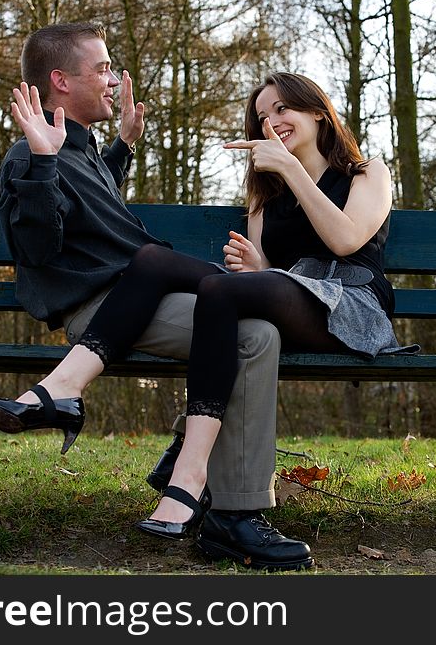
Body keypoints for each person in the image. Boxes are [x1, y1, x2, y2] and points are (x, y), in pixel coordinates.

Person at [0, 22, 311, 571]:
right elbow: (38, 248)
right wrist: (40, 163)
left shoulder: (79, 153)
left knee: (254, 328)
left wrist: (124, 144)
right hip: (104, 309)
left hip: (142, 300)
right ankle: (233, 511)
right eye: (101, 68)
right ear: (60, 80)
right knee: (253, 335)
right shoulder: (31, 158)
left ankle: (190, 465)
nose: (113, 79)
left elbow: (96, 213)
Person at [131, 71, 416, 564]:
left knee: (220, 289)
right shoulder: (266, 197)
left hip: (351, 306)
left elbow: (347, 240)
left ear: (318, 112)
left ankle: (185, 456)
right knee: (203, 283)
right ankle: (195, 470)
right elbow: (268, 275)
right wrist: (259, 268)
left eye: (283, 109)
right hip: (294, 303)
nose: (272, 121)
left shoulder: (367, 173)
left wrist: (292, 170)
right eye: (263, 116)